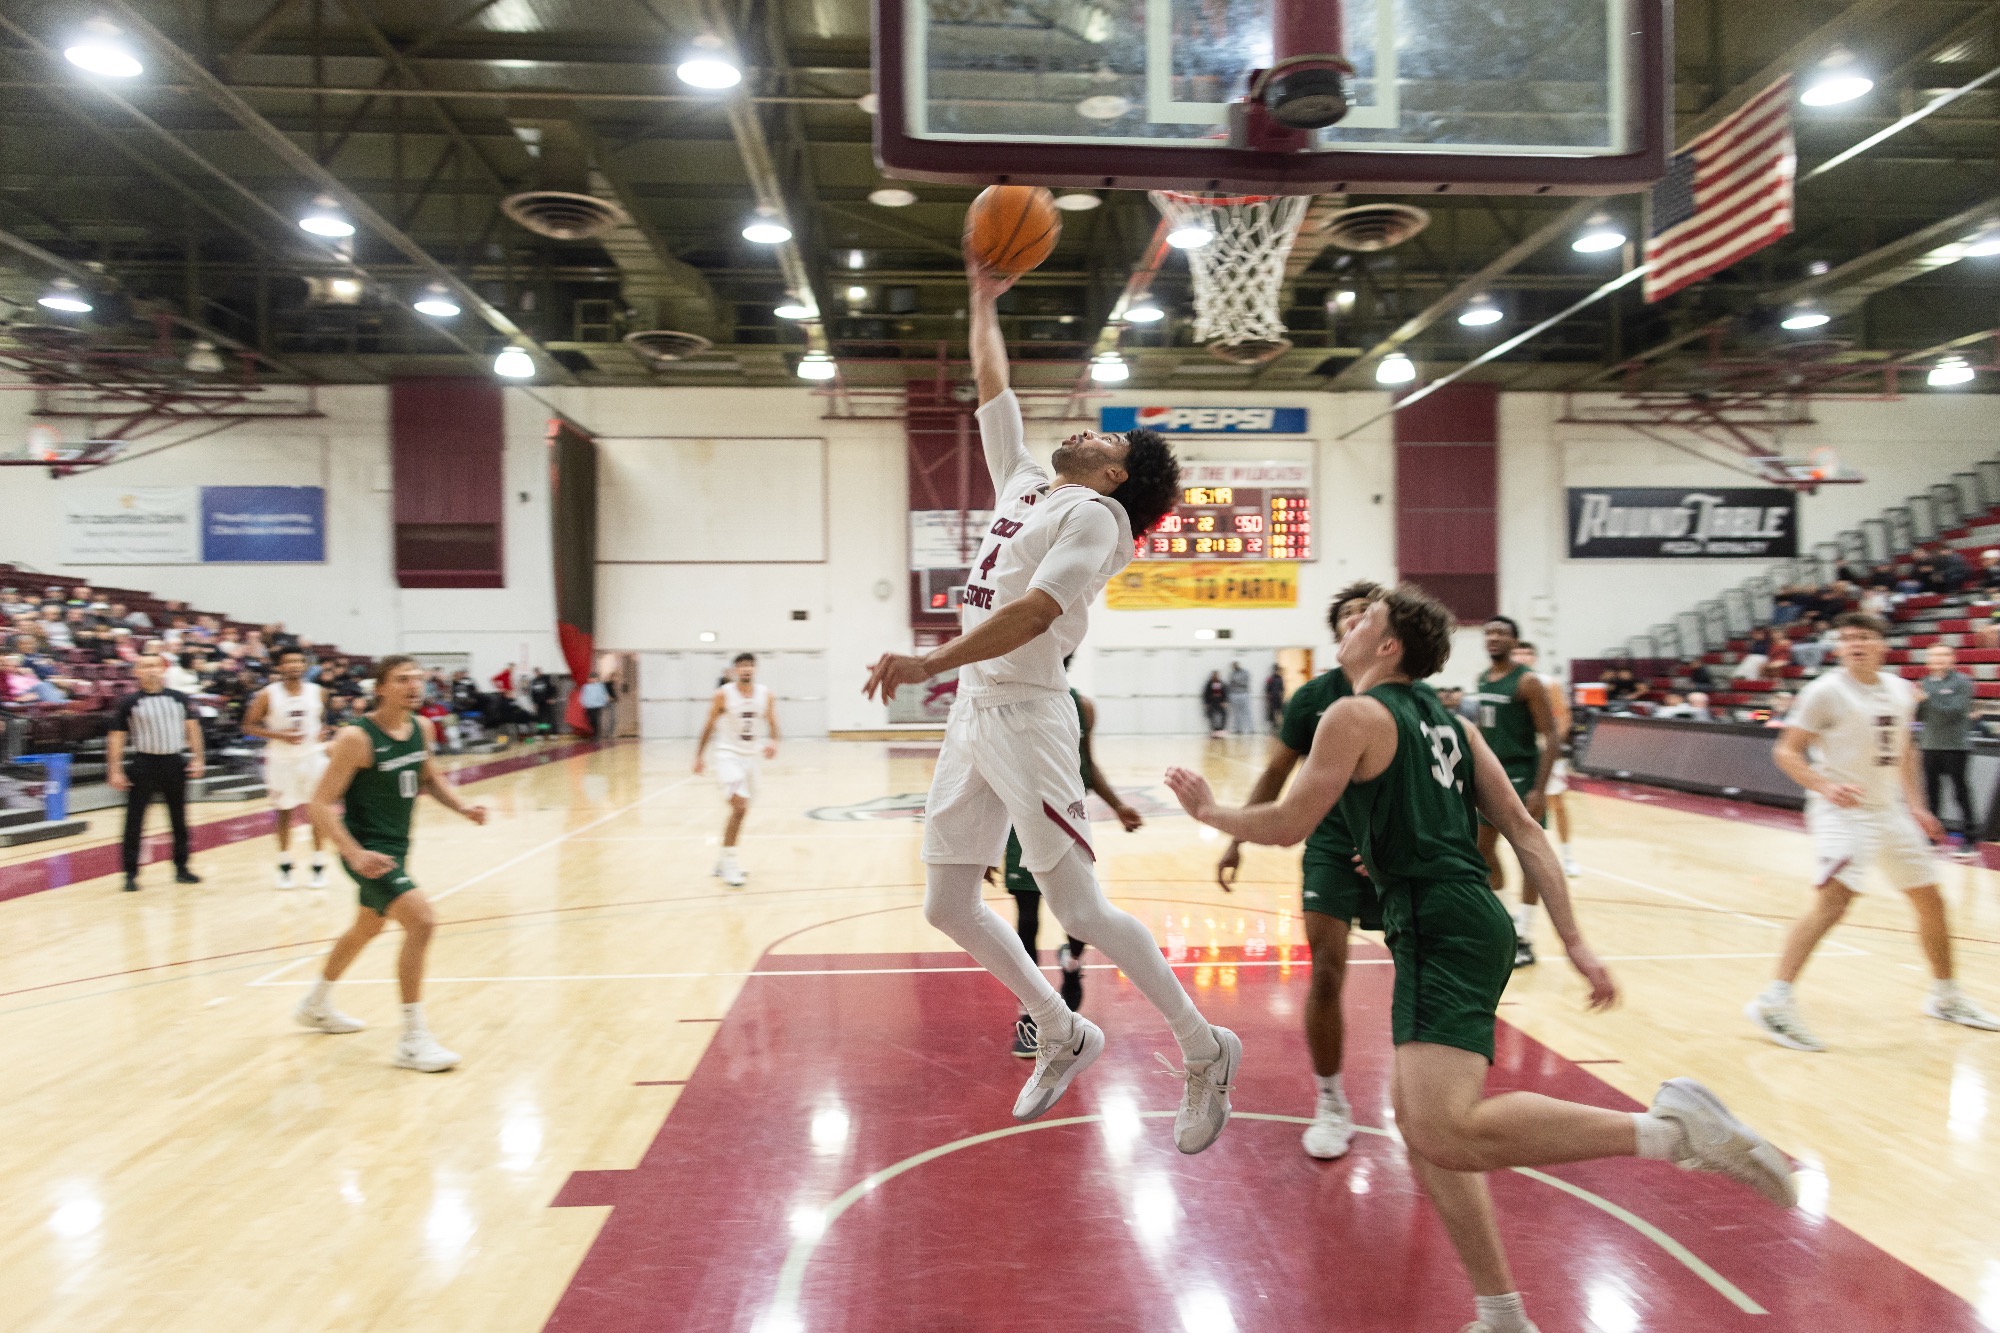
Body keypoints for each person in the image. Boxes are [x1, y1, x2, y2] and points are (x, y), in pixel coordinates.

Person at [1165, 585, 1797, 1333]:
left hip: (1438, 923)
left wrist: (1212, 814)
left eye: (1365, 618)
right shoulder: (1454, 724)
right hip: (1462, 918)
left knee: (1445, 1128)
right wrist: (1575, 941)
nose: (1351, 624)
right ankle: (1501, 1313)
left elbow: (1290, 821)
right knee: (1423, 1124)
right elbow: (1527, 834)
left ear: (1389, 645)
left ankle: (1671, 1131)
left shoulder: (1353, 712)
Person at [860, 244, 1239, 1155]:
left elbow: (1034, 613)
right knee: (948, 904)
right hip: (976, 713)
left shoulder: (1098, 519)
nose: (1092, 432)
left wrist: (929, 660)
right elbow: (996, 389)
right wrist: (982, 298)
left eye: (1111, 442)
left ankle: (1203, 1044)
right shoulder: (1030, 483)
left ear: (1116, 479)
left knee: (1081, 910)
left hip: (1028, 714)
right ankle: (1063, 1029)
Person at [1747, 613, 2000, 1051]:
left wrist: (1918, 805)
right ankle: (1774, 1001)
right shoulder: (1824, 691)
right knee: (1834, 902)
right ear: (1838, 648)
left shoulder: (1901, 690)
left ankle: (1946, 996)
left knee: (1931, 900)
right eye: (1846, 638)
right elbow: (1786, 752)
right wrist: (1825, 785)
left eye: (1863, 637)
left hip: (1888, 810)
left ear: (1883, 645)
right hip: (1841, 810)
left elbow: (1903, 747)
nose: (1854, 644)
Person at [1216, 580, 1382, 1160]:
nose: (1358, 620)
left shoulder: (1410, 696)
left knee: (1420, 966)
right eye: (1349, 614)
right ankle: (1332, 1100)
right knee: (1329, 968)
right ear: (1337, 631)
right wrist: (1237, 837)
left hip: (1397, 849)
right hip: (1332, 844)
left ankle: (1424, 1092)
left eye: (1369, 613)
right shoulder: (1314, 697)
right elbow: (1276, 775)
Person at [293, 656, 488, 1072]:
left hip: (397, 847)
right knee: (422, 921)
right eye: (402, 680)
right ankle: (413, 1040)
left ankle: (315, 1003)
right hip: (366, 852)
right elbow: (320, 805)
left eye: (418, 679)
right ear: (380, 688)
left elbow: (429, 777)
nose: (413, 686)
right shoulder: (356, 738)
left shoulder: (421, 728)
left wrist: (463, 806)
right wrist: (354, 854)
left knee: (367, 926)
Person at [1003, 671, 1142, 1056]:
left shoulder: (1082, 707)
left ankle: (1072, 962)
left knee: (1077, 913)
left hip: (1068, 816)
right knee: (1027, 922)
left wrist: (1118, 806)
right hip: (1022, 819)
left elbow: (1088, 765)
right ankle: (1033, 1013)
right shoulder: (1008, 700)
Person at [1469, 617, 1561, 965]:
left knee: (1528, 855)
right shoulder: (1482, 678)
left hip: (1522, 776)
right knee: (1481, 851)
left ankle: (1525, 936)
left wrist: (1540, 787)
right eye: (1489, 633)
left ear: (1514, 641)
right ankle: (1503, 923)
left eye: (1501, 633)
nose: (1494, 638)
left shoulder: (1527, 682)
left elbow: (1551, 736)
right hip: (1490, 776)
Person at [107, 653, 205, 893]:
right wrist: (115, 769)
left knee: (179, 819)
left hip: (174, 762)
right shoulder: (129, 702)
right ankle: (130, 874)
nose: (151, 670)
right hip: (144, 764)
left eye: (155, 666)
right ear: (137, 671)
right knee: (134, 821)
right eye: (145, 666)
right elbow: (117, 737)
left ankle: (181, 868)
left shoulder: (179, 698)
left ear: (163, 669)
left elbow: (192, 729)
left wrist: (199, 758)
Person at [242, 647, 331, 889]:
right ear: (279, 667)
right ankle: (285, 864)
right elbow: (248, 726)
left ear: (304, 665)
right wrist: (278, 734)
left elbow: (322, 720)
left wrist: (323, 730)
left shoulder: (319, 692)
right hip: (281, 760)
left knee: (317, 810)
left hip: (313, 757)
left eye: (298, 661)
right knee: (284, 811)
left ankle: (318, 863)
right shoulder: (267, 695)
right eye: (288, 662)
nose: (294, 665)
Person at [693, 652, 781, 888]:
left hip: (752, 759)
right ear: (734, 671)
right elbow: (708, 726)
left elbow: (773, 722)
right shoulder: (723, 695)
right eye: (741, 666)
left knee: (742, 811)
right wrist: (699, 756)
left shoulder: (765, 695)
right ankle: (730, 864)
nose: (746, 669)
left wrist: (774, 741)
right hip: (727, 756)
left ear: (755, 669)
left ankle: (722, 861)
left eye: (750, 665)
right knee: (739, 807)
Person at [1512, 642, 1579, 878]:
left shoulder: (1549, 683)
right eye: (1518, 652)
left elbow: (1562, 718)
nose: (1522, 656)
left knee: (1556, 803)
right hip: (1519, 753)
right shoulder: (1508, 683)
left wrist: (1551, 746)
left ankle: (1568, 856)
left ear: (1534, 658)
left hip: (1544, 752)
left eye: (1527, 653)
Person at [1915, 643, 1979, 860]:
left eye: (1944, 655)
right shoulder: (1924, 683)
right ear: (1928, 661)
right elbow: (1920, 716)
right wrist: (1918, 705)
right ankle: (1931, 837)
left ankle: (1969, 839)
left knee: (1960, 792)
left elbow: (1954, 711)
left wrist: (1926, 701)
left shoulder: (1962, 683)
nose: (1939, 659)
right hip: (1930, 744)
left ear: (1953, 659)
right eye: (1934, 656)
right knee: (1931, 793)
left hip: (1955, 746)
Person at [579, 672, 611, 737]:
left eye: (594, 678)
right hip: (589, 705)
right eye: (591, 678)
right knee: (590, 720)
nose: (592, 680)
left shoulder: (600, 686)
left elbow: (603, 695)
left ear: (596, 679)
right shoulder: (586, 687)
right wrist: (583, 703)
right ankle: (594, 732)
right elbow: (583, 696)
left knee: (596, 719)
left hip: (598, 705)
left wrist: (604, 703)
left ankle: (596, 734)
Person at [1227, 660, 1253, 734]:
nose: (1234, 667)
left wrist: (1236, 682)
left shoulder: (1245, 672)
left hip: (1244, 693)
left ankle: (1250, 729)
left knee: (1246, 712)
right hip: (1234, 694)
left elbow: (1245, 682)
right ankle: (1238, 729)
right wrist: (1236, 683)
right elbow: (1231, 684)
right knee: (1236, 713)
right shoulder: (1232, 673)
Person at [1201, 671, 1228, 736]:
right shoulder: (1209, 684)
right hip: (1212, 701)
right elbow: (1206, 694)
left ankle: (1221, 728)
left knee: (1223, 714)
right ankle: (1214, 729)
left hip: (1220, 701)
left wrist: (1224, 701)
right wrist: (1207, 703)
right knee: (1211, 715)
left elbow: (1225, 692)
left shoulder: (1221, 683)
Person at [1263, 664, 1286, 734]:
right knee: (1272, 714)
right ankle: (1273, 728)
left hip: (1278, 699)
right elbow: (1267, 690)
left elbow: (1282, 690)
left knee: (1279, 713)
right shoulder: (1270, 679)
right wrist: (1268, 699)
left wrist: (1282, 698)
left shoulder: (1280, 678)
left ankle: (1278, 728)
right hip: (1272, 699)